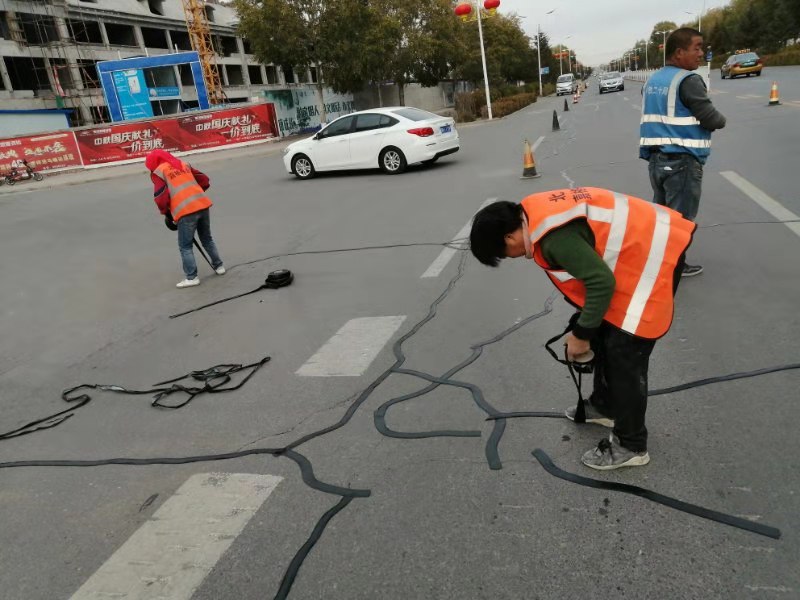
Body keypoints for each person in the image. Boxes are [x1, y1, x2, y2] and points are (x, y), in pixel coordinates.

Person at [469, 187, 695, 470]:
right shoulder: (531, 214)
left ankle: (631, 444)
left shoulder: (553, 239)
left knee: (624, 349)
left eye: (504, 254)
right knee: (603, 330)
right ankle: (604, 406)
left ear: (509, 237)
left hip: (656, 252)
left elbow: (601, 282)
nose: (512, 258)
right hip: (644, 243)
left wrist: (581, 335)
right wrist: (587, 326)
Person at [640, 27, 726, 278]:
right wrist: (723, 120)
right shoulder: (688, 80)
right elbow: (710, 118)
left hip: (656, 160)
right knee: (680, 221)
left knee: (664, 217)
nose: (701, 53)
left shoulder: (653, 80)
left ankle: (659, 262)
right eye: (696, 48)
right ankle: (673, 268)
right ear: (679, 52)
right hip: (682, 161)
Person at [145, 149, 225, 288]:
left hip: (185, 210)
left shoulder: (159, 172)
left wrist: (166, 213)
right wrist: (195, 194)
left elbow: (160, 198)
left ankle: (191, 277)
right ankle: (219, 267)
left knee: (185, 246)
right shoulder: (183, 164)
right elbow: (204, 180)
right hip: (202, 204)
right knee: (207, 238)